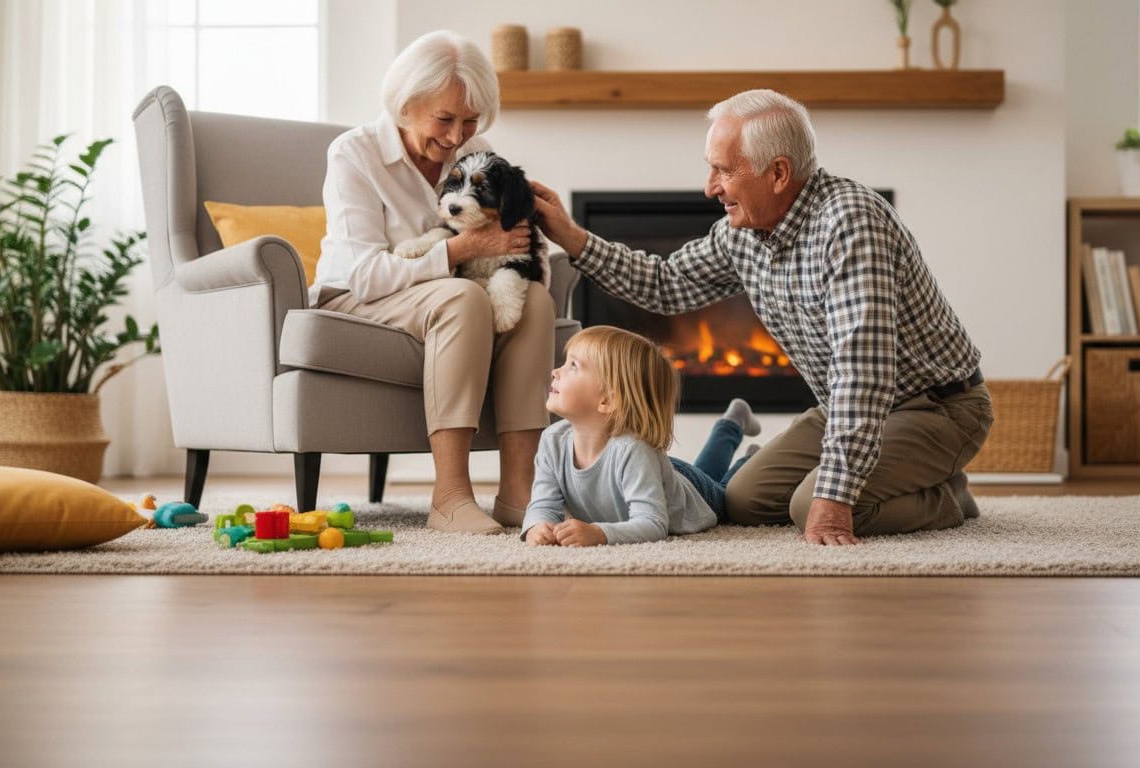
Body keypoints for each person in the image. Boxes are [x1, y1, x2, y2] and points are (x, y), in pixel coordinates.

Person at [529, 89, 992, 547]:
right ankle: (894, 481)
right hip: (846, 409)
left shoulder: (850, 223)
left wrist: (834, 500)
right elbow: (666, 283)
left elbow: (862, 375)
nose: (710, 187)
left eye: (723, 170)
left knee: (812, 505)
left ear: (778, 173)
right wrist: (571, 237)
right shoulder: (745, 233)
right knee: (744, 501)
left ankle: (946, 499)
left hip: (937, 407)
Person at [311, 30, 554, 535]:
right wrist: (462, 250)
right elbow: (364, 273)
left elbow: (509, 238)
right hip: (358, 299)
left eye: (470, 120)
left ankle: (520, 494)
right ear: (404, 106)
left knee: (533, 301)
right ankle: (450, 497)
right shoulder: (353, 154)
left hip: (442, 296)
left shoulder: (474, 151)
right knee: (462, 297)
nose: (457, 136)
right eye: (444, 119)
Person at [522, 326, 761, 547]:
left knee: (728, 496)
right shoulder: (552, 440)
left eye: (573, 366)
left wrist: (599, 534)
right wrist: (537, 525)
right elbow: (543, 503)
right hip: (657, 473)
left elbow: (653, 523)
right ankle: (733, 421)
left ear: (607, 400)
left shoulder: (633, 451)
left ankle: (751, 459)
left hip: (693, 493)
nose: (555, 371)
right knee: (705, 470)